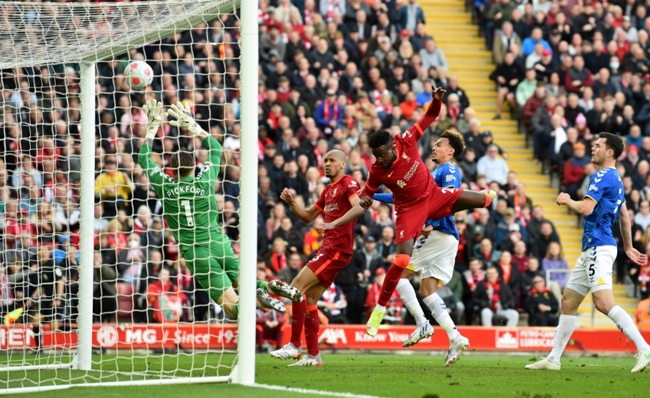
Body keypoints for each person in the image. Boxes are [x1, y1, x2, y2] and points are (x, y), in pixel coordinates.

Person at [319, 87, 496, 337]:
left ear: (393, 146)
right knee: (402, 261)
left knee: (483, 200)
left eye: (384, 154)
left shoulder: (407, 139)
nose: (382, 160)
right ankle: (379, 311)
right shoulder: (376, 171)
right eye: (377, 157)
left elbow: (430, 116)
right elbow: (364, 199)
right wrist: (358, 206)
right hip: (409, 211)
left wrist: (436, 100)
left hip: (432, 196)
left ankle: (489, 197)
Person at [138, 100, 302, 322]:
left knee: (232, 307)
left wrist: (152, 128)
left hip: (196, 253)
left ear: (172, 170)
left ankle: (258, 303)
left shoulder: (165, 185)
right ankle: (271, 287)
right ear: (194, 166)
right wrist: (193, 126)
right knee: (242, 282)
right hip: (219, 243)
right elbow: (216, 148)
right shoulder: (204, 180)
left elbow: (143, 159)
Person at [527, 132, 650, 373]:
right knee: (568, 301)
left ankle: (645, 348)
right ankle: (553, 359)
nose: (592, 148)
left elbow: (586, 209)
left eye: (597, 146)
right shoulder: (616, 179)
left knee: (603, 302)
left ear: (609, 152)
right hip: (594, 247)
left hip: (598, 245)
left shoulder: (602, 175)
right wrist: (627, 247)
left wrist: (566, 200)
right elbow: (625, 217)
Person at [373, 130, 470, 366]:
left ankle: (421, 323)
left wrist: (431, 222)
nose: (434, 147)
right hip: (445, 238)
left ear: (451, 151)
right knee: (427, 291)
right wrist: (372, 195)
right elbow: (404, 199)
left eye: (440, 144)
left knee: (400, 275)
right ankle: (455, 337)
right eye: (435, 144)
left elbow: (451, 198)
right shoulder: (434, 173)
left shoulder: (449, 170)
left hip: (439, 233)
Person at [270, 150, 360, 366]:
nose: (327, 164)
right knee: (308, 299)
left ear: (342, 164)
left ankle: (294, 345)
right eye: (325, 161)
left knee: (295, 287)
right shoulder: (328, 191)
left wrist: (333, 224)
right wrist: (292, 203)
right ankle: (313, 356)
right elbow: (308, 216)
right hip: (329, 248)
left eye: (332, 161)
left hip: (336, 249)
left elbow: (359, 208)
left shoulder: (349, 183)